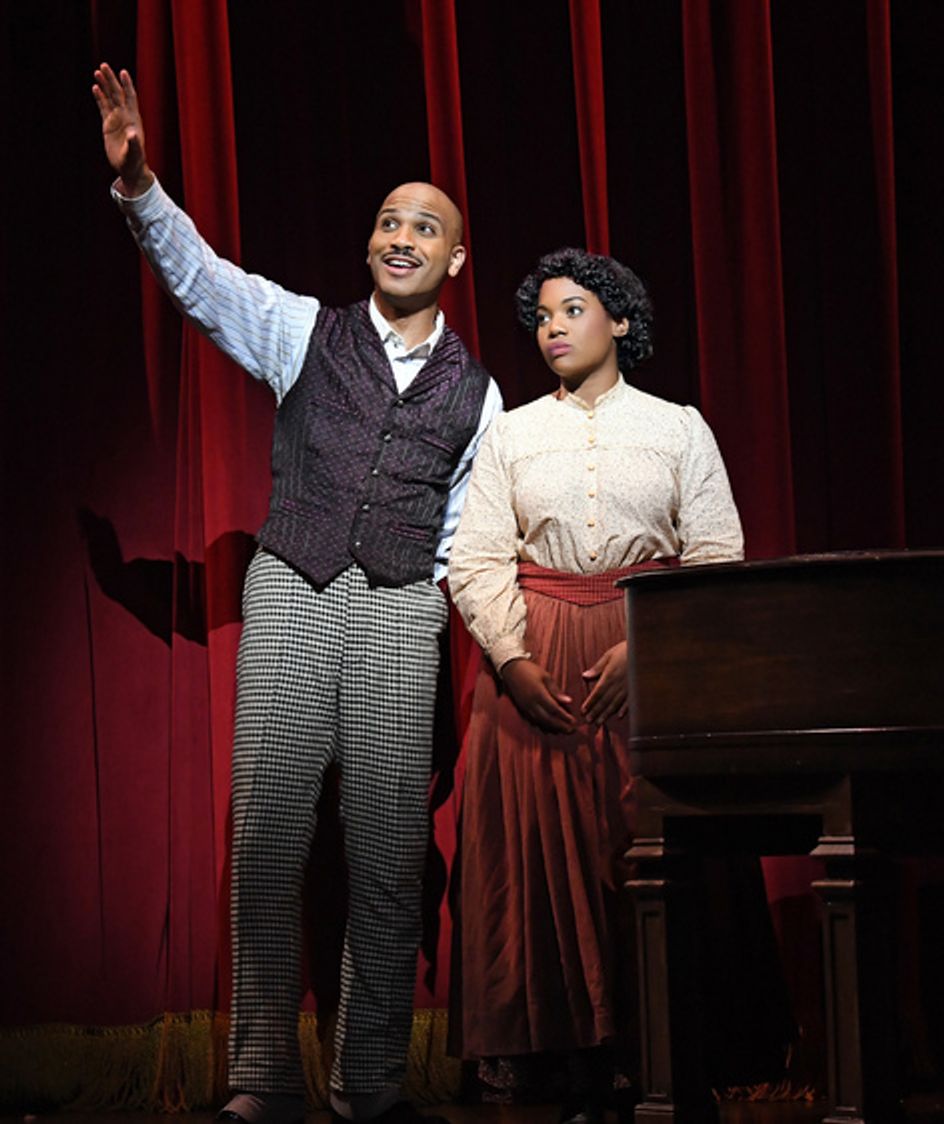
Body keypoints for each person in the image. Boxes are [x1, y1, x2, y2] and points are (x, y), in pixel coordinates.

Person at [92, 63, 502, 1124]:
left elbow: (470, 537)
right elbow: (202, 277)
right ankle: (262, 1079)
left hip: (404, 610)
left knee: (386, 849)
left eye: (424, 225)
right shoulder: (301, 330)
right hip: (292, 585)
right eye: (386, 222)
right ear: (371, 246)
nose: (401, 235)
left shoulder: (479, 393)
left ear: (455, 257)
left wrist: (479, 639)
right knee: (269, 835)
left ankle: (368, 1084)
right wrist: (141, 186)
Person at [447, 248, 745, 1123]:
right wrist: (512, 661)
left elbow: (718, 552)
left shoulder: (679, 426)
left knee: (638, 852)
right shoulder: (510, 433)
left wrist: (649, 644)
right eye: (541, 317)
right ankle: (556, 1063)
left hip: (647, 650)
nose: (552, 329)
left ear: (619, 321)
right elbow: (475, 560)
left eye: (571, 310)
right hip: (534, 660)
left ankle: (649, 1056)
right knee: (537, 860)